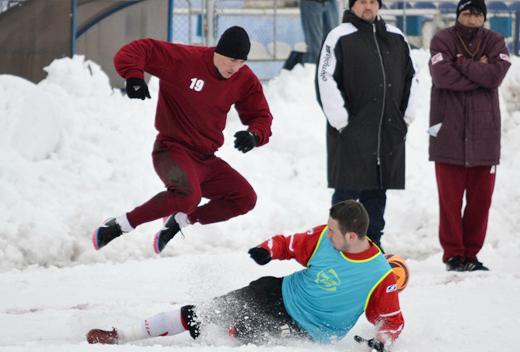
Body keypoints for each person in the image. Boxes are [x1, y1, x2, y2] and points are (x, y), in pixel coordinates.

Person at [86, 200, 404, 351]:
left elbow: (392, 321)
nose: (326, 233)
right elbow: (287, 243)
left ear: (351, 236)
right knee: (203, 313)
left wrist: (381, 341)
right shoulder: (324, 237)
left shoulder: (379, 275)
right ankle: (123, 335)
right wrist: (268, 249)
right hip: (276, 293)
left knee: (231, 335)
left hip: (308, 333)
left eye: (333, 231)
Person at [92, 26, 273, 254]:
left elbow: (261, 115)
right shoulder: (185, 60)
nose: (235, 68)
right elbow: (139, 49)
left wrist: (255, 135)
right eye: (231, 60)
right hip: (172, 149)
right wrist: (134, 76)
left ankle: (181, 221)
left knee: (245, 198)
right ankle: (120, 224)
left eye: (241, 62)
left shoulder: (243, 78)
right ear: (218, 51)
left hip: (206, 159)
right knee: (188, 195)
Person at [315, 0, 418, 252]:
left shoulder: (396, 36)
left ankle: (372, 244)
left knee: (377, 189)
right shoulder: (339, 36)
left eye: (373, 1)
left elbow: (411, 76)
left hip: (388, 129)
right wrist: (341, 122)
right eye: (362, 1)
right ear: (353, 5)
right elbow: (324, 77)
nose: (368, 6)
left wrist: (405, 118)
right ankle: (336, 247)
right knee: (347, 192)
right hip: (352, 130)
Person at [428, 0, 511, 272]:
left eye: (477, 14)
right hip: (448, 134)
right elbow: (442, 78)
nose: (472, 19)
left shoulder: (496, 40)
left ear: (484, 17)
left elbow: (496, 76)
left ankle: (471, 256)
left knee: (480, 202)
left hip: (484, 137)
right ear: (458, 15)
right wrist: (479, 70)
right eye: (467, 13)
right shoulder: (441, 40)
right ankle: (454, 255)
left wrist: (461, 63)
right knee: (449, 202)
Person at [300, 0, 339, 64]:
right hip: (311, 3)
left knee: (333, 45)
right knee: (315, 48)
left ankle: (330, 72)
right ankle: (312, 71)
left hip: (331, 3)